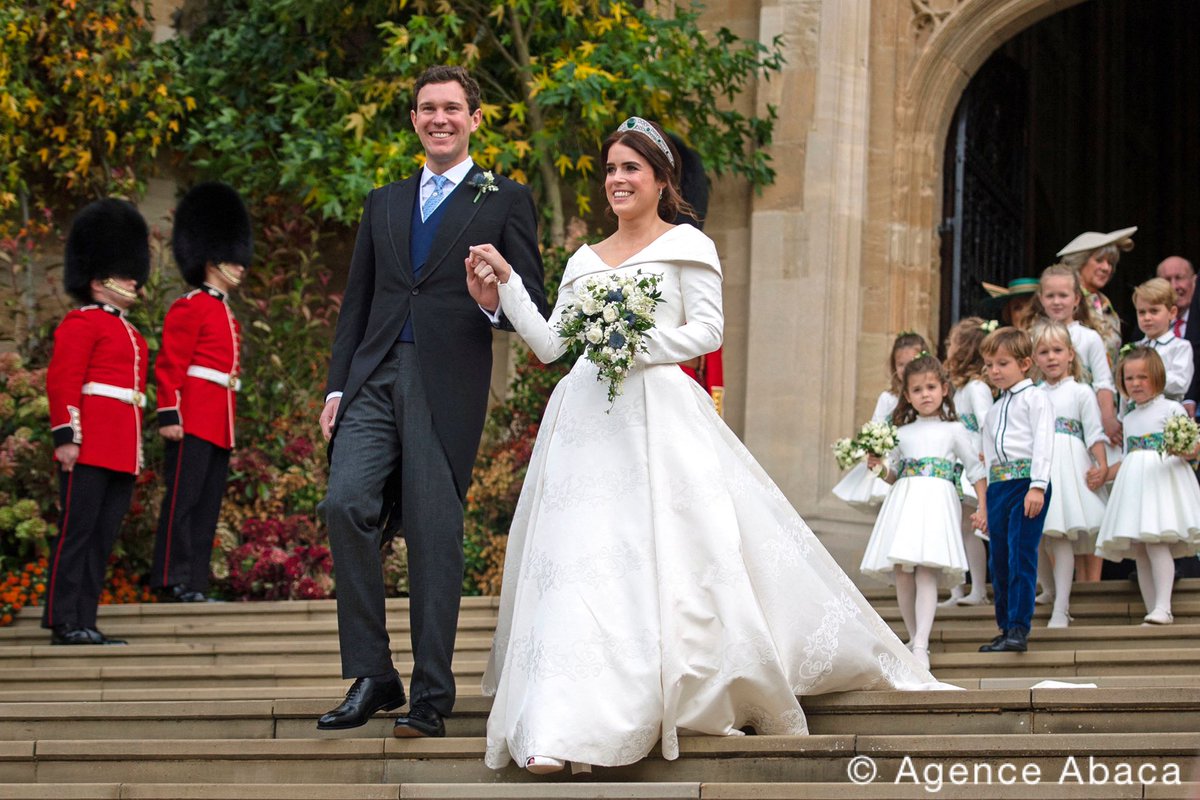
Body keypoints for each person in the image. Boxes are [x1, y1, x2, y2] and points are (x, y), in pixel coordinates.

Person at [467, 117, 942, 775]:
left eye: (631, 168)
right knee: (579, 566)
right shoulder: (582, 260)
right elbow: (552, 347)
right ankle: (556, 724)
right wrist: (506, 291)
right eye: (610, 170)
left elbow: (707, 333)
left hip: (658, 419)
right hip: (585, 428)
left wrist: (628, 346)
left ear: (662, 179)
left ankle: (653, 702)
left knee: (656, 564)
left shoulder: (688, 244)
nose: (618, 181)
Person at [315, 65, 547, 735]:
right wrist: (337, 384)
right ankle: (373, 673)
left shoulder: (504, 199)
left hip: (447, 382)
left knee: (433, 535)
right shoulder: (383, 201)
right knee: (344, 503)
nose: (439, 118)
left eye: (452, 108)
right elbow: (357, 301)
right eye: (427, 108)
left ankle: (431, 697)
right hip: (372, 375)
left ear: (475, 118)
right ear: (414, 119)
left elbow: (530, 304)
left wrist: (493, 303)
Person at [43, 198, 150, 645]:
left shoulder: (132, 333)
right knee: (77, 533)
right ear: (98, 276)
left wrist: (135, 453)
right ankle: (63, 619)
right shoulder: (81, 322)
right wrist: (67, 437)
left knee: (101, 539)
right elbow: (63, 381)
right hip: (87, 447)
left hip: (120, 451)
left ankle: (84, 619)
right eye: (125, 273)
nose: (132, 280)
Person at [151, 183, 251, 603]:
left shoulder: (225, 311)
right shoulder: (190, 306)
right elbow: (170, 365)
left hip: (218, 422)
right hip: (192, 418)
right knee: (182, 503)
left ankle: (193, 582)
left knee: (206, 507)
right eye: (233, 258)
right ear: (212, 260)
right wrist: (169, 414)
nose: (241, 267)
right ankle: (170, 579)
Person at [859, 353, 987, 669]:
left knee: (926, 569)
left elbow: (975, 470)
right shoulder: (901, 433)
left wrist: (983, 505)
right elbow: (895, 474)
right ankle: (914, 636)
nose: (925, 394)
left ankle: (921, 644)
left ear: (944, 389)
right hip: (905, 501)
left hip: (937, 502)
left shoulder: (955, 430)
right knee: (904, 572)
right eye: (917, 389)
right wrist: (878, 467)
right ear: (907, 395)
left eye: (931, 387)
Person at [1095, 347, 1200, 625]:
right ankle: (1152, 606)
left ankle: (1164, 607)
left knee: (1156, 542)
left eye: (1143, 377)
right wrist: (1104, 474)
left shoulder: (1171, 408)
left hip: (1162, 483)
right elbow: (1130, 456)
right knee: (1140, 548)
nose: (1136, 383)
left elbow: (1192, 448)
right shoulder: (1128, 418)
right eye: (1129, 379)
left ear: (1158, 377)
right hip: (1135, 487)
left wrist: (1183, 447)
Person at [1035, 263, 1117, 584]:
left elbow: (1103, 382)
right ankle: (1058, 586)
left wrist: (1108, 417)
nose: (1057, 302)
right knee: (1057, 512)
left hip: (1087, 426)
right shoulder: (1035, 336)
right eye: (1051, 295)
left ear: (1076, 298)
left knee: (1086, 502)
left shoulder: (1089, 338)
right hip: (1050, 437)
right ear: (1041, 299)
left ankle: (1091, 583)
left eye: (1063, 295)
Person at [977, 326, 1053, 653]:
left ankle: (1019, 627)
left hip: (1026, 485)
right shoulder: (994, 409)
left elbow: (1044, 443)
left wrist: (1038, 486)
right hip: (998, 487)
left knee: (1021, 554)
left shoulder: (1036, 398)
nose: (995, 371)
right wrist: (985, 503)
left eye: (1002, 363)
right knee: (999, 560)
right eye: (990, 364)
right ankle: (1005, 625)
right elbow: (988, 455)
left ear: (1024, 363)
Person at [1030, 321, 1108, 628]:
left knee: (1059, 534)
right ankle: (1048, 590)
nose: (1051, 357)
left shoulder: (1081, 392)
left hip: (1069, 467)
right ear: (1034, 358)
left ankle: (1062, 606)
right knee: (1036, 536)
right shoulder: (1032, 393)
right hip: (1039, 468)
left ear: (1071, 354)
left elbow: (1094, 433)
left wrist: (1100, 467)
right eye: (1044, 352)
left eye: (1057, 351)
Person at [831, 331, 927, 510]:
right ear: (893, 366)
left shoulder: (927, 396)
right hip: (893, 460)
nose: (906, 369)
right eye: (900, 364)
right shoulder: (888, 398)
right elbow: (876, 425)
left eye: (912, 363)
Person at [940, 317, 994, 607]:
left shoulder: (976, 388)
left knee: (971, 527)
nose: (948, 348)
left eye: (953, 344)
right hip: (958, 462)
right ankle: (958, 588)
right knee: (960, 527)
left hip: (973, 463)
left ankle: (978, 590)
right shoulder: (959, 388)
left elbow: (988, 424)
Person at [1057, 227, 1136, 370]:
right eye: (1099, 260)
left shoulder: (1105, 305)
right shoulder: (1063, 302)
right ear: (1080, 261)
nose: (1106, 268)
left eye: (1110, 263)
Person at [1131, 278, 1194, 405]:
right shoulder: (1133, 349)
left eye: (1154, 311)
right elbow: (1125, 390)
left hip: (1167, 415)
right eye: (1142, 312)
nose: (1147, 318)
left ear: (1172, 313)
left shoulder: (1180, 346)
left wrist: (1149, 375)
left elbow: (1180, 384)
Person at [1157, 256, 1199, 417]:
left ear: (1194, 281)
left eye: (1179, 278)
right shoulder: (1145, 328)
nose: (1174, 286)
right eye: (1167, 280)